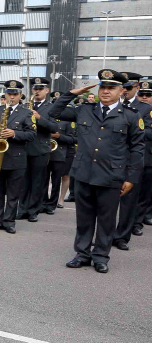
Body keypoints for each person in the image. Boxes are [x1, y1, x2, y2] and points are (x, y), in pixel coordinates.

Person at [47, 70, 143, 273]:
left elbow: (137, 149)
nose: (106, 91)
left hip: (112, 176)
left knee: (107, 220)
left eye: (111, 88)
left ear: (122, 91)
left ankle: (100, 256)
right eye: (103, 87)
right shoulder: (84, 110)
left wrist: (131, 178)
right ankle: (82, 253)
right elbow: (53, 112)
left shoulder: (130, 116)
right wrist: (72, 93)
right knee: (84, 218)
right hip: (83, 172)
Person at [0, 80, 35, 234]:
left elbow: (32, 135)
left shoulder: (27, 113)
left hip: (16, 158)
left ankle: (9, 221)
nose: (11, 96)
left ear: (20, 95)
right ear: (5, 94)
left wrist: (15, 133)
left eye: (15, 94)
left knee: (13, 193)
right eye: (9, 93)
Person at [113, 72, 150, 249]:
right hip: (111, 160)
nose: (125, 91)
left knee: (129, 201)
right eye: (123, 88)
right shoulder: (110, 104)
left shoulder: (144, 108)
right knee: (107, 202)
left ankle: (121, 236)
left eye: (128, 88)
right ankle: (105, 234)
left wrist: (132, 131)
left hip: (131, 160)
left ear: (137, 87)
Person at [19, 77, 55, 222]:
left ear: (47, 91)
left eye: (40, 89)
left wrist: (39, 118)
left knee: (37, 181)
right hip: (24, 147)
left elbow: (54, 127)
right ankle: (22, 209)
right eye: (35, 89)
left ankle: (33, 210)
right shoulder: (25, 106)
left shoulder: (51, 107)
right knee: (23, 181)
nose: (37, 91)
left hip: (40, 149)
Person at [43, 92, 76, 214]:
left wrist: (59, 136)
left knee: (56, 181)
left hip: (60, 154)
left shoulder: (68, 120)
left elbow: (74, 139)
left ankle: (52, 205)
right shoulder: (47, 117)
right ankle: (43, 202)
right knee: (44, 180)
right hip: (46, 152)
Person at [135, 79, 152, 228]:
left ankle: (139, 221)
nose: (145, 97)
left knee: (146, 192)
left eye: (148, 95)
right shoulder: (133, 109)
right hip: (134, 157)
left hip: (149, 157)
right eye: (142, 94)